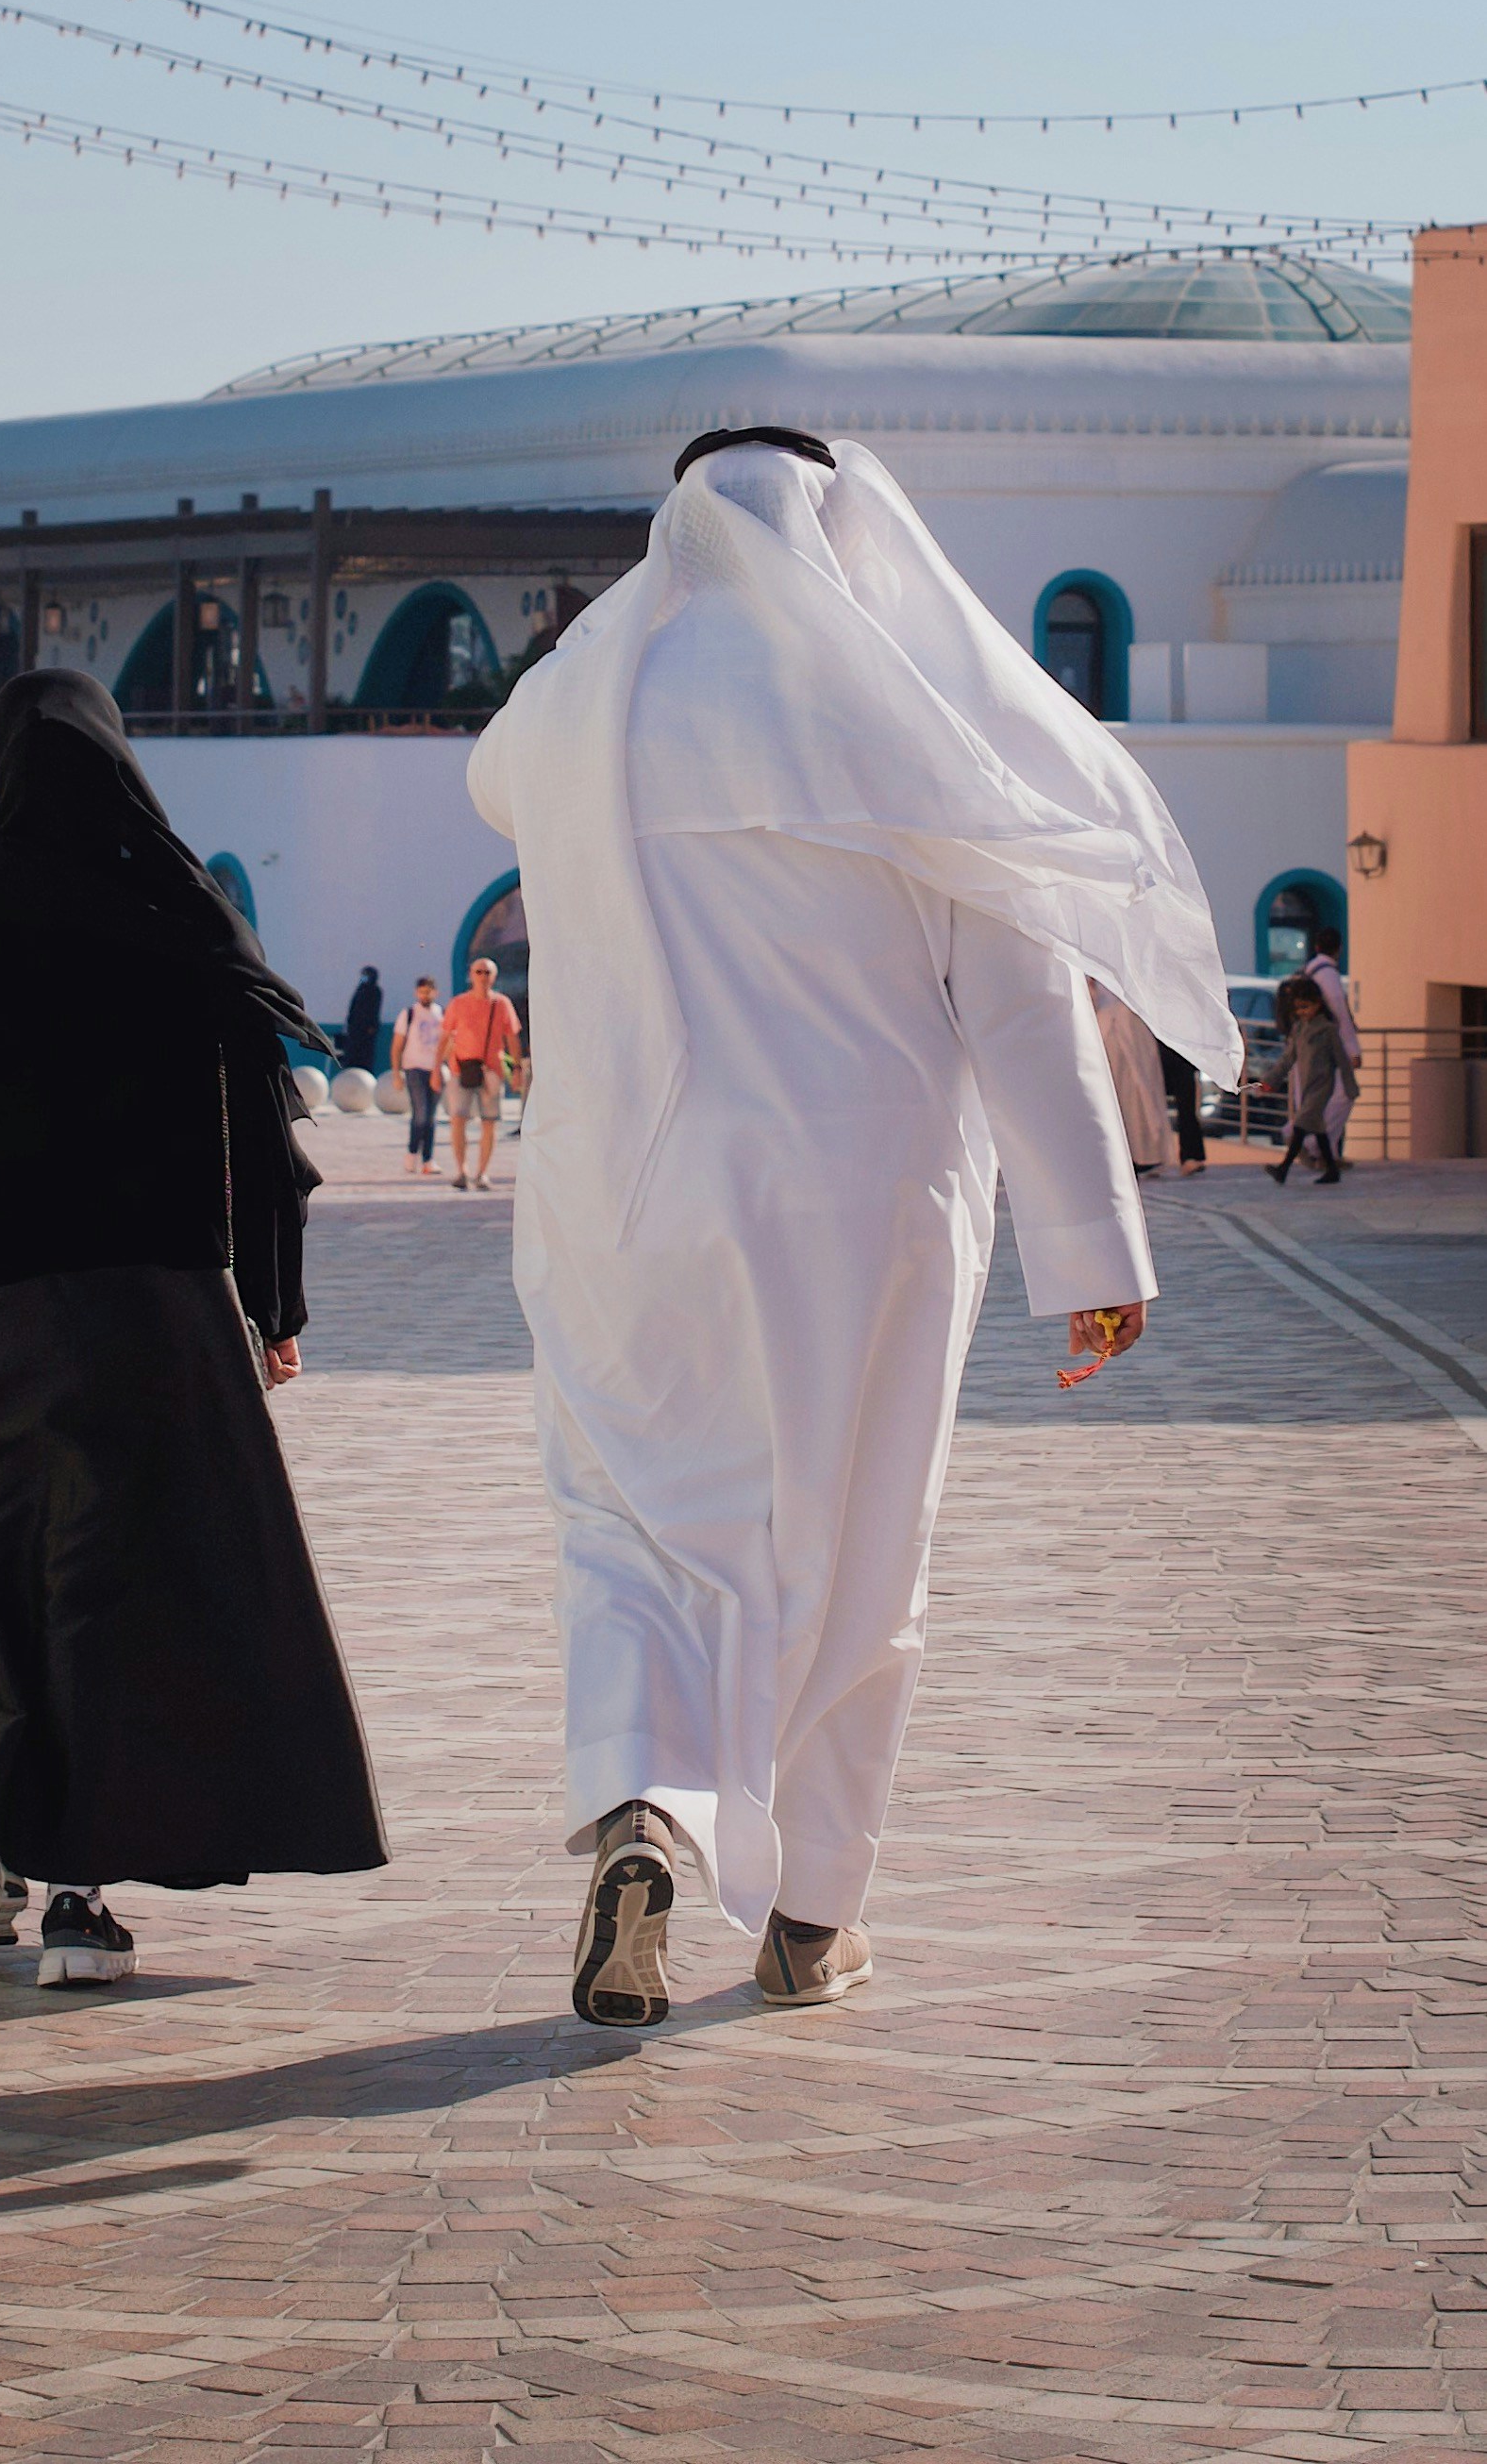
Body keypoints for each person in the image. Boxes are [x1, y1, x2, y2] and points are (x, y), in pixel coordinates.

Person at [468, 425, 1238, 2031]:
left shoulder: (583, 701)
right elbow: (1020, 998)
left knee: (632, 1523)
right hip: (866, 1202)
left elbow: (490, 780)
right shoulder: (906, 713)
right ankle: (814, 1914)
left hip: (624, 1197)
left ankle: (646, 1811)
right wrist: (1096, 1251)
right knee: (855, 1539)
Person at [0, 667, 387, 1986]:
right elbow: (261, 1134)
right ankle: (79, 1897)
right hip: (144, 1311)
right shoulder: (174, 925)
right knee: (114, 1591)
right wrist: (272, 1307)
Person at [440, 954, 524, 1190]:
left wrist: (516, 1069)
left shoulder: (502, 1004)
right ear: (471, 975)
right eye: (478, 972)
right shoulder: (458, 1003)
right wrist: (438, 1068)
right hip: (461, 1069)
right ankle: (462, 1171)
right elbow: (445, 1037)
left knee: (489, 1122)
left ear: (494, 977)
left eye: (487, 972)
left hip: (491, 1072)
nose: (483, 977)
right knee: (458, 1119)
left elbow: (512, 1038)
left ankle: (482, 1173)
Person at [1266, 975, 1345, 1187]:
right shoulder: (1299, 1029)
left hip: (1322, 1086)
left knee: (1300, 1126)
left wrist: (1350, 1087)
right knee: (1318, 1129)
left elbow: (1342, 1060)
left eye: (1306, 1007)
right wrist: (1270, 1080)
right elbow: (1287, 1058)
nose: (1302, 1012)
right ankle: (1332, 1169)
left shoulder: (1327, 1030)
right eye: (1298, 1008)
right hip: (1307, 1085)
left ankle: (1283, 1168)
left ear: (1317, 1004)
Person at [1090, 980, 1174, 1174]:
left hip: (1132, 1032)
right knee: (1113, 1099)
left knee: (1140, 1099)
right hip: (1108, 1033)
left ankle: (1145, 1154)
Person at [1300, 937, 1362, 1164]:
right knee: (1345, 1094)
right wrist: (1353, 1049)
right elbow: (1340, 1013)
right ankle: (1308, 1141)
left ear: (1317, 948)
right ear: (1339, 949)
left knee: (1320, 1099)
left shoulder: (1309, 972)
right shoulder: (1328, 975)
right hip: (1328, 1047)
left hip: (1310, 1045)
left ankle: (1326, 1152)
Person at [392, 974, 445, 1176]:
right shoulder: (409, 1014)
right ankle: (412, 1153)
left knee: (431, 1117)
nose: (425, 995)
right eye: (422, 991)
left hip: (435, 1069)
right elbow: (397, 1046)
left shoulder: (441, 1014)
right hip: (414, 1067)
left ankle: (428, 1159)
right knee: (420, 1114)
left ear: (435, 992)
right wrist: (397, 1073)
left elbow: (447, 1042)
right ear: (417, 993)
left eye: (429, 991)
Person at [1157, 1038, 1209, 1176]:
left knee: (1187, 1110)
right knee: (1184, 1109)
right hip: (1170, 1054)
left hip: (1177, 1054)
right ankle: (1154, 1158)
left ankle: (1190, 1156)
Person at [343, 964, 385, 1077]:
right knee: (352, 1054)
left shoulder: (376, 991)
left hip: (367, 1031)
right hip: (354, 1029)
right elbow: (353, 1009)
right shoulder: (359, 990)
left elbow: (374, 1010)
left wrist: (371, 1027)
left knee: (365, 1055)